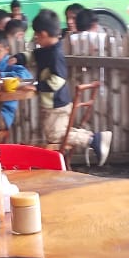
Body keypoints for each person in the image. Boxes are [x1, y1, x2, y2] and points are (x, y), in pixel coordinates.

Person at [30, 10, 111, 166]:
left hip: (56, 104)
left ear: (44, 34)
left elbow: (58, 80)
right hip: (59, 102)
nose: (35, 37)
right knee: (62, 130)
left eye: (36, 34)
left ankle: (92, 139)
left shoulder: (55, 54)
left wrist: (37, 87)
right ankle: (96, 137)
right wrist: (19, 58)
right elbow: (34, 55)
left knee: (55, 136)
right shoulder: (48, 50)